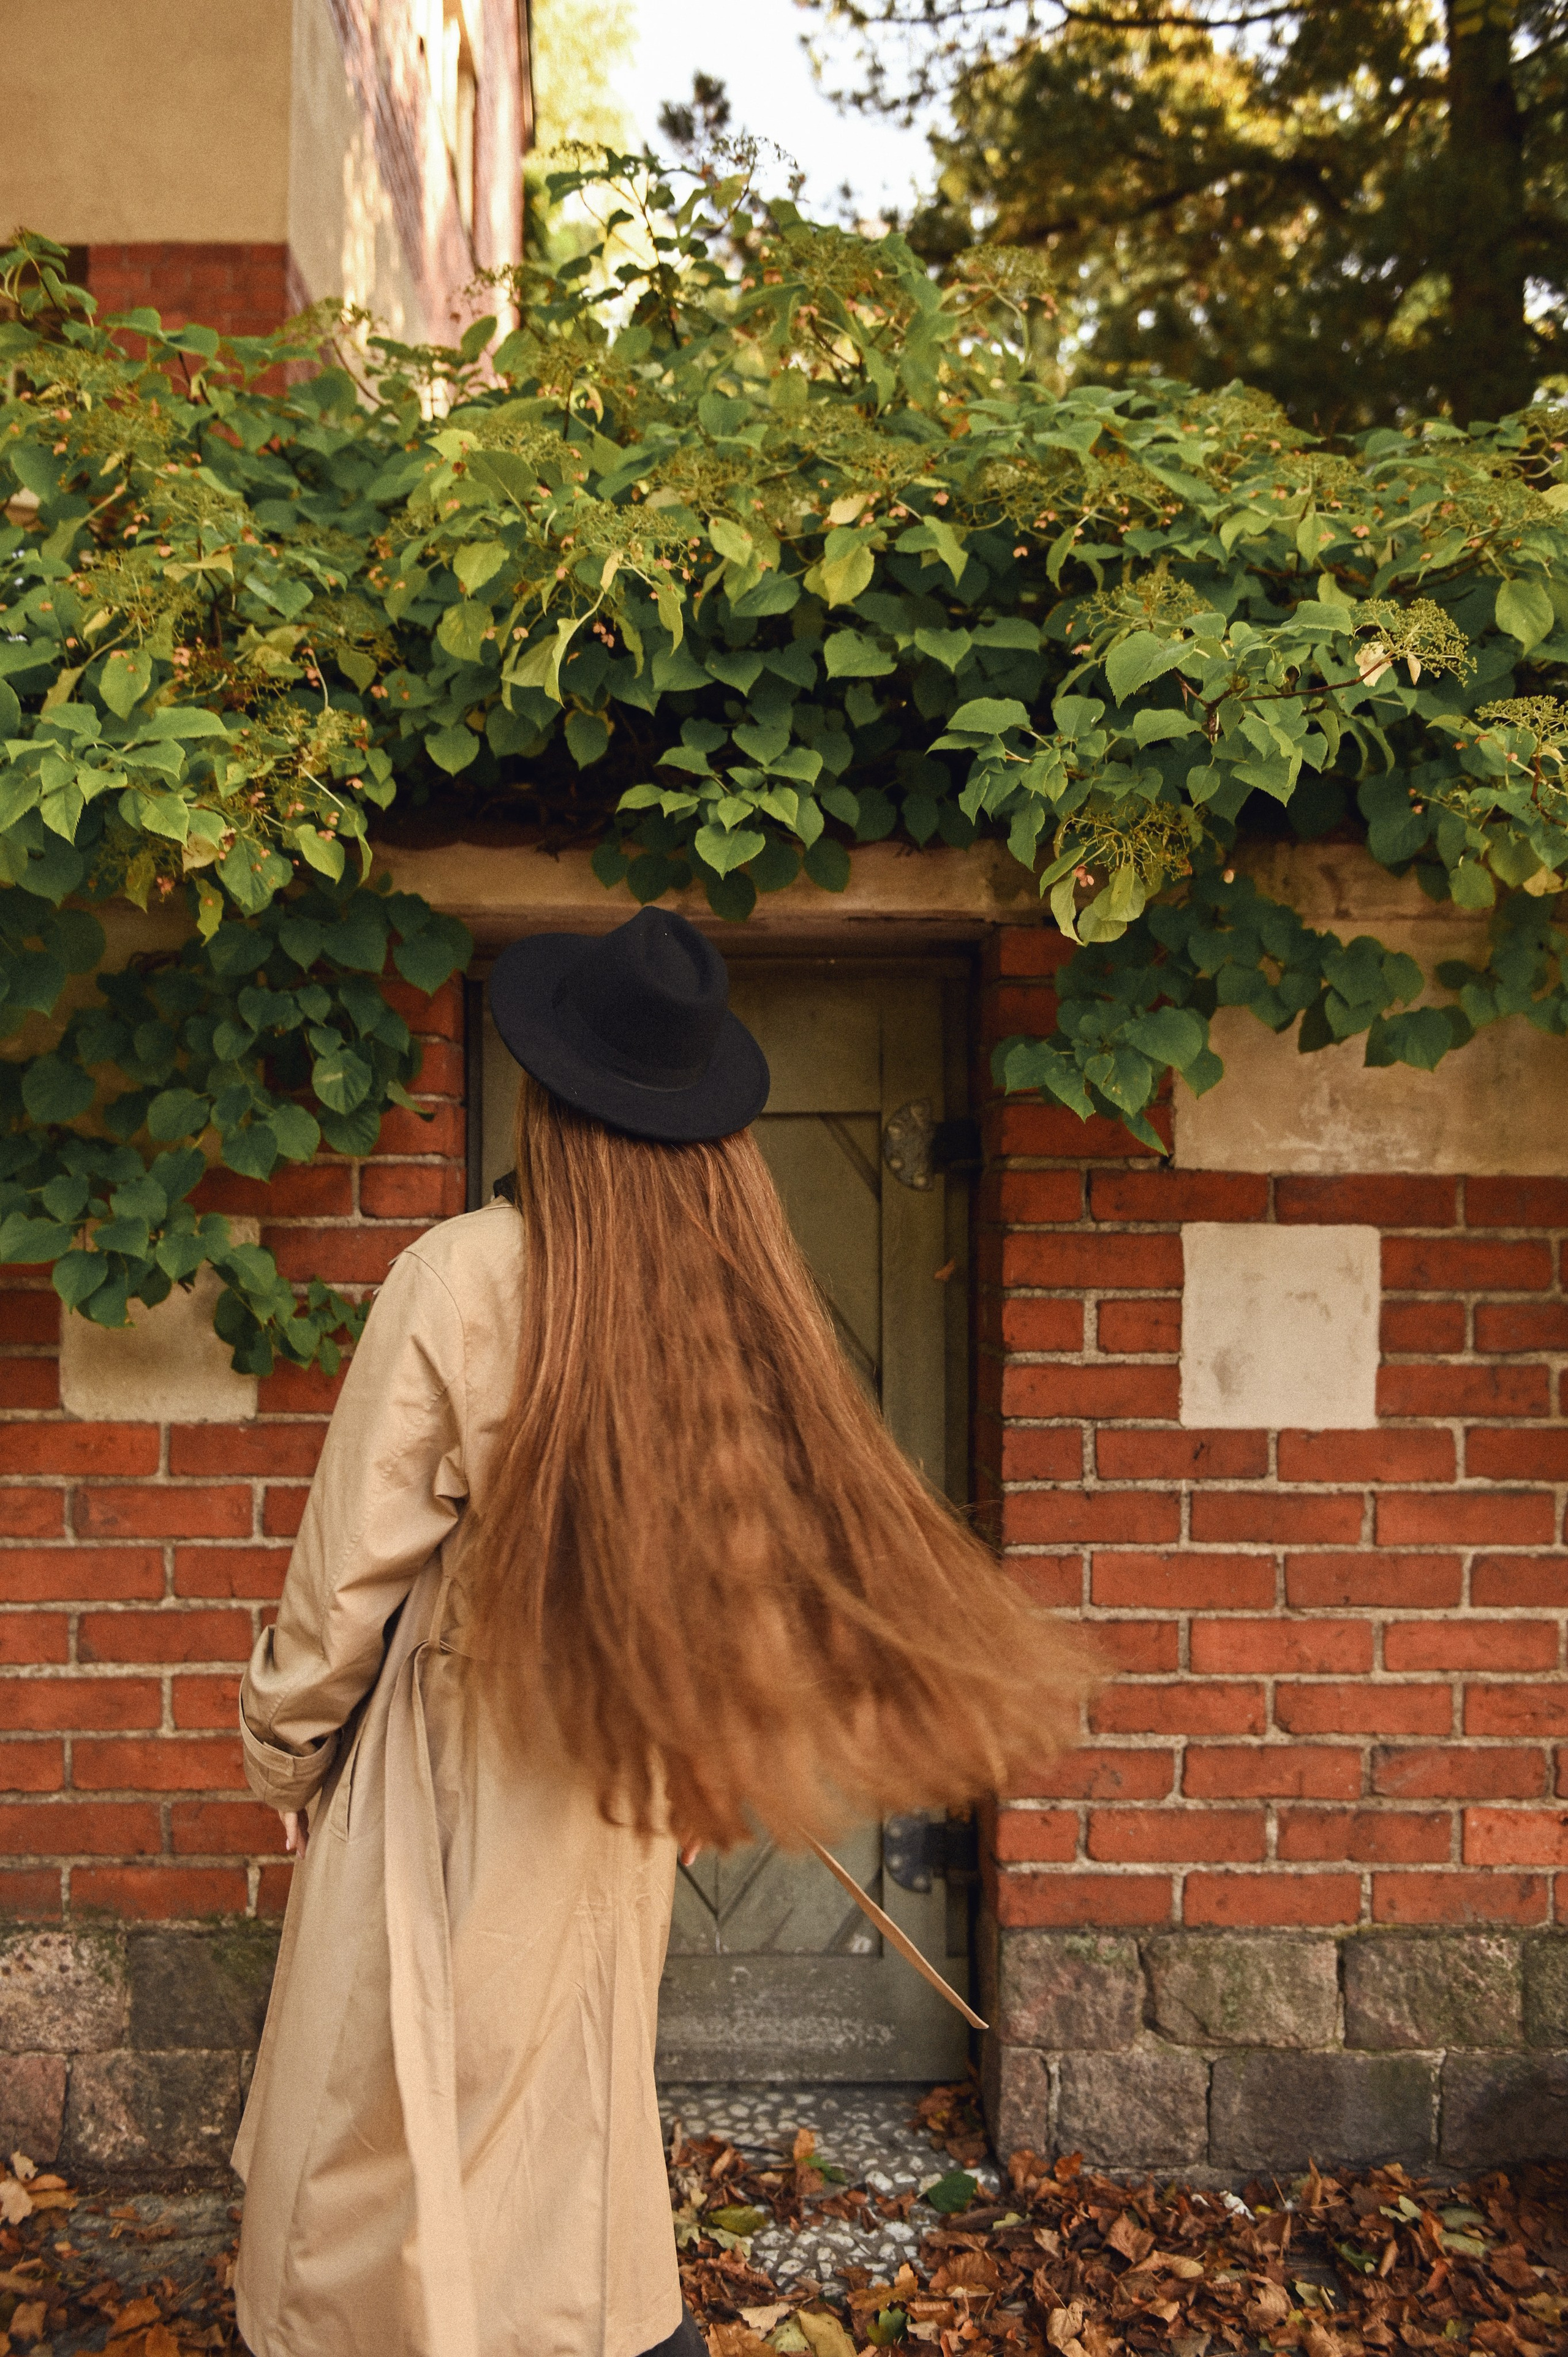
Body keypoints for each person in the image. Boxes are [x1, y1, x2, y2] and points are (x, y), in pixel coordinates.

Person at [232, 907, 1089, 2357]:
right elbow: (749, 1564)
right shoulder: (723, 1294)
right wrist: (695, 1749)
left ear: (550, 1096)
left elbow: (341, 1586)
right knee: (566, 2113)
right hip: (617, 1771)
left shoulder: (463, 1274)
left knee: (398, 2128)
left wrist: (286, 1753)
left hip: (456, 1770)